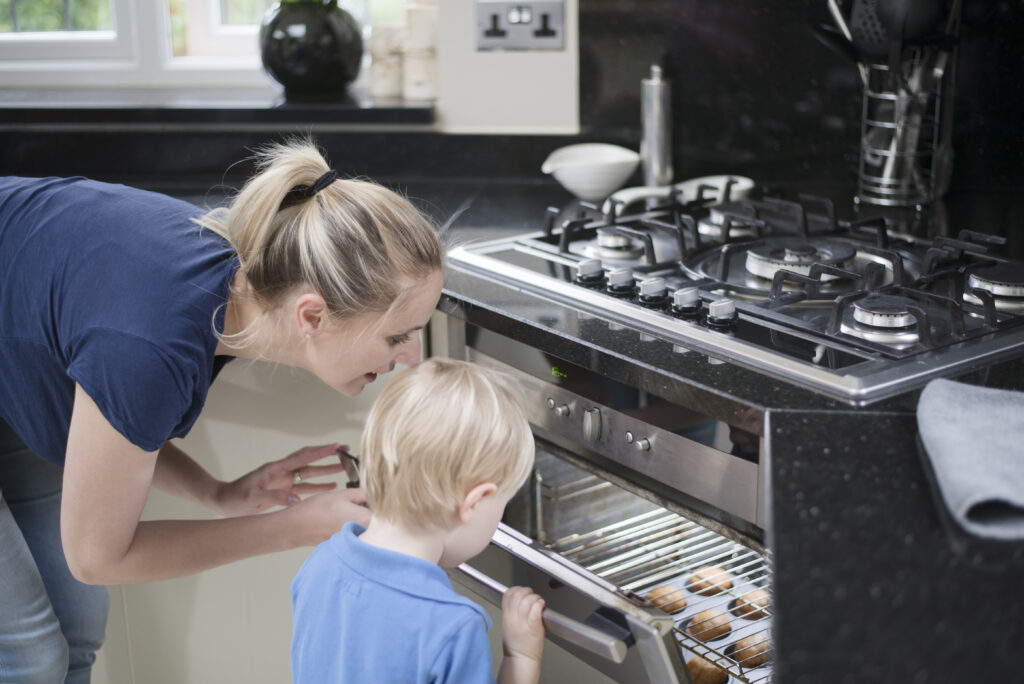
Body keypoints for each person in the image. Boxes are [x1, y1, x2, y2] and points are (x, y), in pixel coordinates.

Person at [0, 138, 444, 683]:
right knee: (29, 657)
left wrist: (218, 493)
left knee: (79, 626)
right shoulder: (151, 341)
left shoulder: (233, 288)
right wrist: (293, 527)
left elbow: (115, 423)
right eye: (399, 335)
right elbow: (96, 556)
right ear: (311, 316)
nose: (411, 357)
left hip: (13, 353)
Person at [291, 358, 546, 684]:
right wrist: (522, 657)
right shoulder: (451, 627)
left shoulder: (320, 565)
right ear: (474, 502)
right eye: (503, 504)